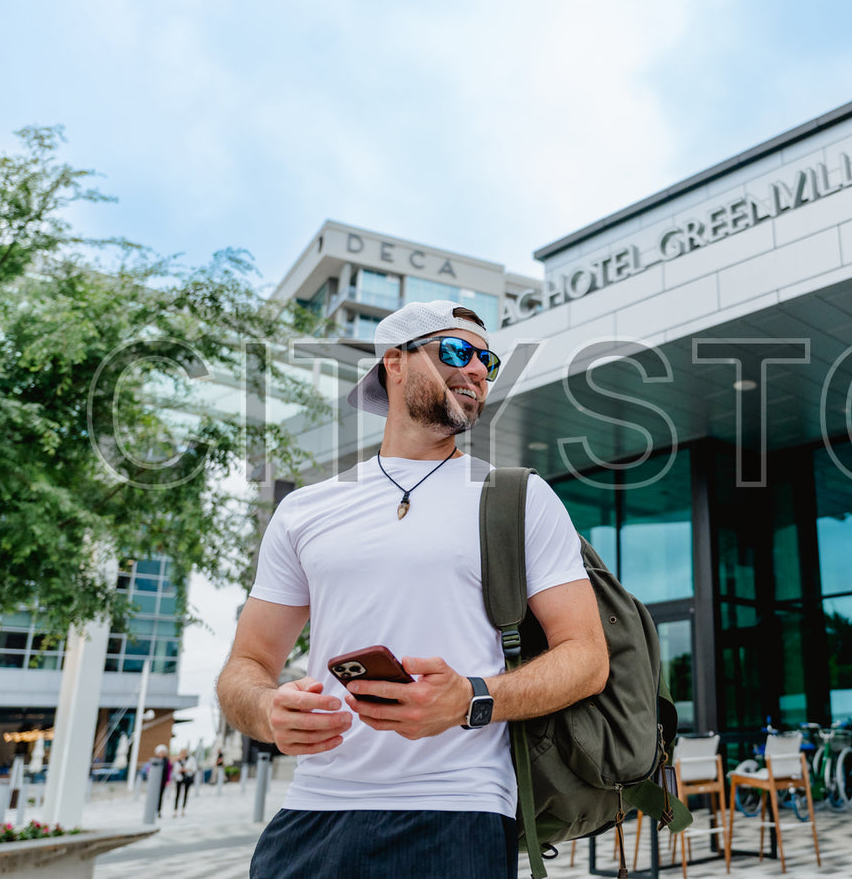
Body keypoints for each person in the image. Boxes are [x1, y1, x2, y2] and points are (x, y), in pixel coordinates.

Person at [216, 300, 607, 878]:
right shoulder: (304, 510)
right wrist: (267, 711)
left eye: (487, 360)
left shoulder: (518, 498)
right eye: (456, 351)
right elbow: (245, 664)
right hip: (314, 811)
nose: (476, 369)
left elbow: (587, 657)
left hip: (459, 806)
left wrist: (472, 699)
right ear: (394, 363)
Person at [172, 748, 195, 816]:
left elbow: (194, 768)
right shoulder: (178, 760)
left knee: (186, 794)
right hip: (179, 778)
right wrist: (179, 770)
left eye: (184, 753)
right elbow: (174, 770)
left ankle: (183, 809)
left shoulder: (191, 759)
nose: (183, 754)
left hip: (187, 778)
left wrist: (186, 770)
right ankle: (175, 810)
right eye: (182, 753)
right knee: (177, 794)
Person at [151, 744, 172, 816]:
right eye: (160, 752)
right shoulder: (154, 760)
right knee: (154, 796)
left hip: (163, 781)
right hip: (155, 781)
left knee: (160, 796)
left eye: (163, 753)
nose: (161, 754)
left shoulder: (167, 761)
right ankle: (152, 809)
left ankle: (158, 810)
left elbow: (169, 771)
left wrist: (168, 780)